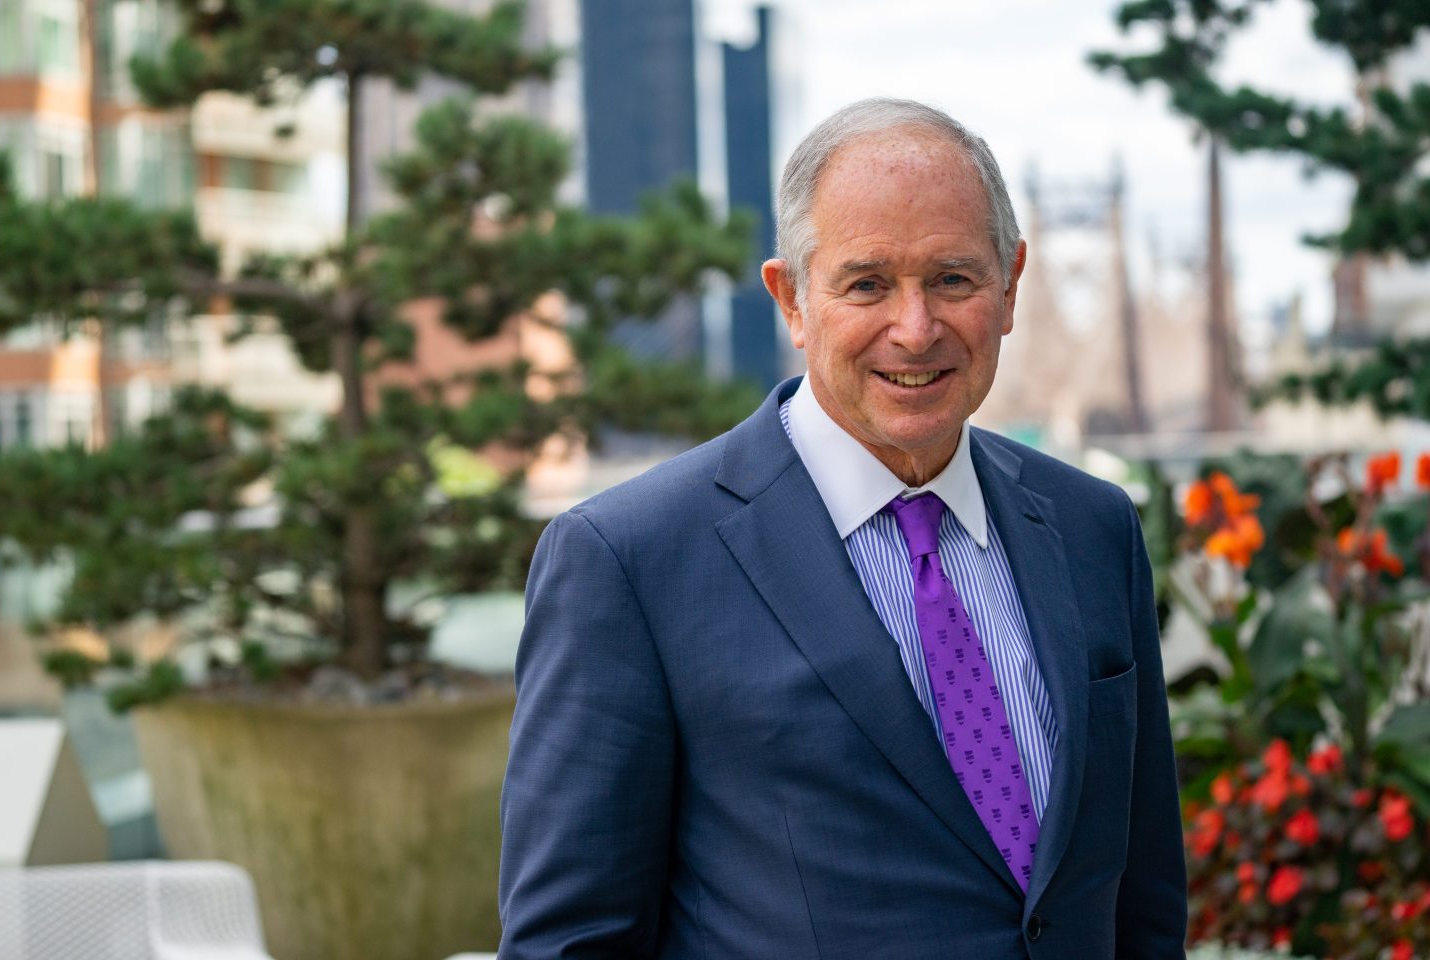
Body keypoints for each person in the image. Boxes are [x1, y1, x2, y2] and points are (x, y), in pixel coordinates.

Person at [497, 97, 1187, 959]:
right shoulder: (629, 562)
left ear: (1010, 286)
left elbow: (1145, 908)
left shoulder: (1094, 527)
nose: (916, 329)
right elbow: (568, 942)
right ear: (791, 299)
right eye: (867, 285)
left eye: (953, 280)